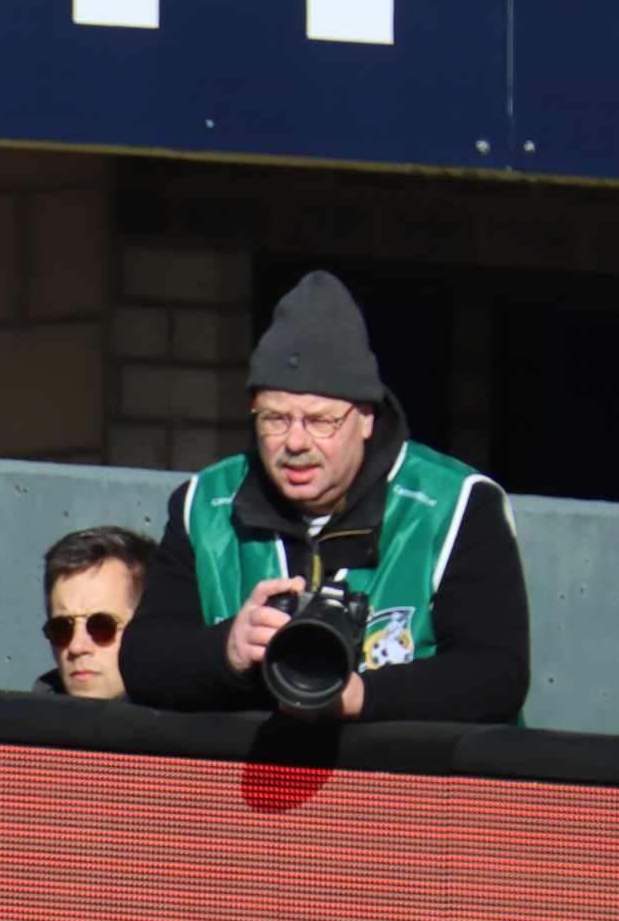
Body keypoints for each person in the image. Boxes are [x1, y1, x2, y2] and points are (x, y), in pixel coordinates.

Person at [118, 270, 529, 724]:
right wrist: (229, 649)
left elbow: (496, 675)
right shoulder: (206, 504)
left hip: (407, 784)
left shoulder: (458, 505)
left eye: (320, 421)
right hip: (248, 781)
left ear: (366, 417)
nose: (295, 442)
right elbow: (143, 660)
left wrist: (358, 697)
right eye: (275, 418)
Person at [35, 524, 155, 700]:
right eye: (61, 629)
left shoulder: (197, 724)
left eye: (101, 626)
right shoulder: (19, 725)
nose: (76, 647)